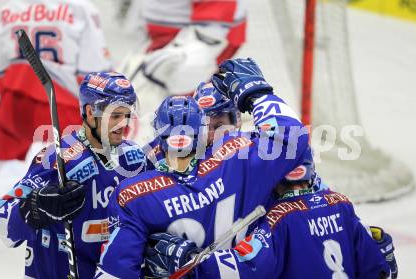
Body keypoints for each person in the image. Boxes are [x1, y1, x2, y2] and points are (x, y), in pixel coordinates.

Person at [94, 58, 311, 278]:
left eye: (219, 123)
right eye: (210, 124)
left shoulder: (134, 191)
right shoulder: (240, 153)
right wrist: (257, 93)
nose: (216, 133)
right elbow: (292, 137)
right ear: (202, 131)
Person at [0, 72, 146, 279]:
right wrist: (35, 207)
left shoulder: (134, 158)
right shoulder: (58, 159)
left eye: (127, 115)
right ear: (91, 113)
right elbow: (1, 220)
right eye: (115, 116)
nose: (123, 124)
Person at [144, 159, 398, 279]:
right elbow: (381, 269)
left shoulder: (280, 218)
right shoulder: (341, 204)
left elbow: (247, 266)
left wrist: (190, 260)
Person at [0, 0, 112, 193]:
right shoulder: (81, 8)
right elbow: (91, 74)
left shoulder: (7, 9)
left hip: (15, 105)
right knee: (94, 167)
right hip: (65, 110)